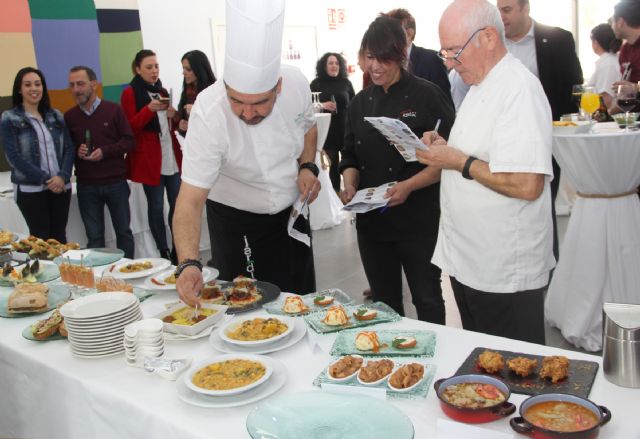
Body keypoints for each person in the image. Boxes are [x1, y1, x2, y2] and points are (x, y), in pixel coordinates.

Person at [417, 0, 555, 344]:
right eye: (444, 52)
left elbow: (527, 183)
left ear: (489, 38)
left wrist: (457, 161)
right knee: (486, 370)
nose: (448, 62)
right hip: (471, 261)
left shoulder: (518, 89)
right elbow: (484, 153)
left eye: (454, 50)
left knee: (513, 371)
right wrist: (446, 147)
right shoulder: (481, 83)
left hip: (502, 268)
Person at [174, 0, 320, 307]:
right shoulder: (209, 111)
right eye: (237, 101)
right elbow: (190, 199)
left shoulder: (296, 83)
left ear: (278, 86)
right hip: (235, 220)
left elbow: (308, 127)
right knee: (247, 311)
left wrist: (308, 165)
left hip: (291, 213)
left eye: (260, 103)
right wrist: (188, 263)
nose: (248, 113)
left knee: (301, 300)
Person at [339, 16, 455, 324]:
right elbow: (349, 155)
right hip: (372, 222)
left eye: (384, 59)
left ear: (401, 56)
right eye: (370, 57)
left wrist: (407, 187)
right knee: (384, 302)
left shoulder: (427, 95)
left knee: (427, 296)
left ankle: (438, 359)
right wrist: (349, 185)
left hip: (418, 217)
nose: (375, 66)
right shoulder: (360, 103)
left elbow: (449, 158)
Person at [497, 0, 583, 263]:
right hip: (504, 144)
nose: (501, 17)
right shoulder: (494, 44)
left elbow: (574, 90)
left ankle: (546, 270)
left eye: (507, 9)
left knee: (543, 208)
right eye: (498, 10)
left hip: (547, 142)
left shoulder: (557, 40)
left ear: (525, 8)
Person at [64, 66, 135, 258]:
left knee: (124, 232)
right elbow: (67, 150)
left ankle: (127, 273)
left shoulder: (114, 110)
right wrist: (77, 150)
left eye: (80, 83)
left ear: (94, 84)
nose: (76, 89)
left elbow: (129, 141)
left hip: (115, 182)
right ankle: (98, 277)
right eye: (72, 85)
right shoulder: (69, 117)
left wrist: (105, 151)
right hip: (87, 185)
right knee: (94, 237)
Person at [121, 49, 182, 263]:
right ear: (138, 69)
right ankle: (163, 249)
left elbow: (166, 126)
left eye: (156, 66)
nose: (154, 71)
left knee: (178, 205)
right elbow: (129, 128)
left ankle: (178, 248)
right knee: (156, 206)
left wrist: (173, 116)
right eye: (149, 67)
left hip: (170, 156)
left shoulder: (162, 89)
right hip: (150, 159)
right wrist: (148, 109)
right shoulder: (130, 92)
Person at [0, 67, 74, 242]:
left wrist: (62, 176)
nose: (34, 88)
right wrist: (46, 179)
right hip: (30, 189)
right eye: (28, 85)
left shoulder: (55, 115)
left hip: (60, 186)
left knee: (59, 237)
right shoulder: (9, 118)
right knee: (40, 238)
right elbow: (14, 156)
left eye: (37, 84)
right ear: (20, 89)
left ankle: (63, 270)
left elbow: (69, 149)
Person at [384, 8, 452, 102]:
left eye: (393, 31)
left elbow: (444, 102)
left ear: (409, 34)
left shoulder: (431, 60)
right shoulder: (383, 62)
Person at [310, 52, 355, 192]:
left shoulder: (346, 83)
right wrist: (322, 105)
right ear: (324, 66)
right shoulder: (316, 83)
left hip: (345, 128)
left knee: (349, 161)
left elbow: (354, 104)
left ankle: (349, 189)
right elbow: (307, 106)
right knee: (332, 164)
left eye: (336, 63)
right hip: (327, 131)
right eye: (330, 63)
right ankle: (334, 194)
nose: (334, 66)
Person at [176, 50, 217, 136]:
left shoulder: (214, 92)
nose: (184, 72)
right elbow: (184, 123)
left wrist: (196, 110)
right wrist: (182, 126)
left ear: (199, 70)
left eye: (188, 69)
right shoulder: (187, 91)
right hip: (193, 144)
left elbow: (217, 124)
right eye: (183, 68)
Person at [611, 0, 640, 112]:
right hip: (632, 119)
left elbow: (632, 87)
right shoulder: (625, 50)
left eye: (613, 22)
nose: (612, 27)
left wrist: (636, 88)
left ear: (621, 22)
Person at [586, 24, 621, 98]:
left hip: (603, 109)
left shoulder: (608, 64)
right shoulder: (610, 60)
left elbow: (606, 97)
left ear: (596, 42)